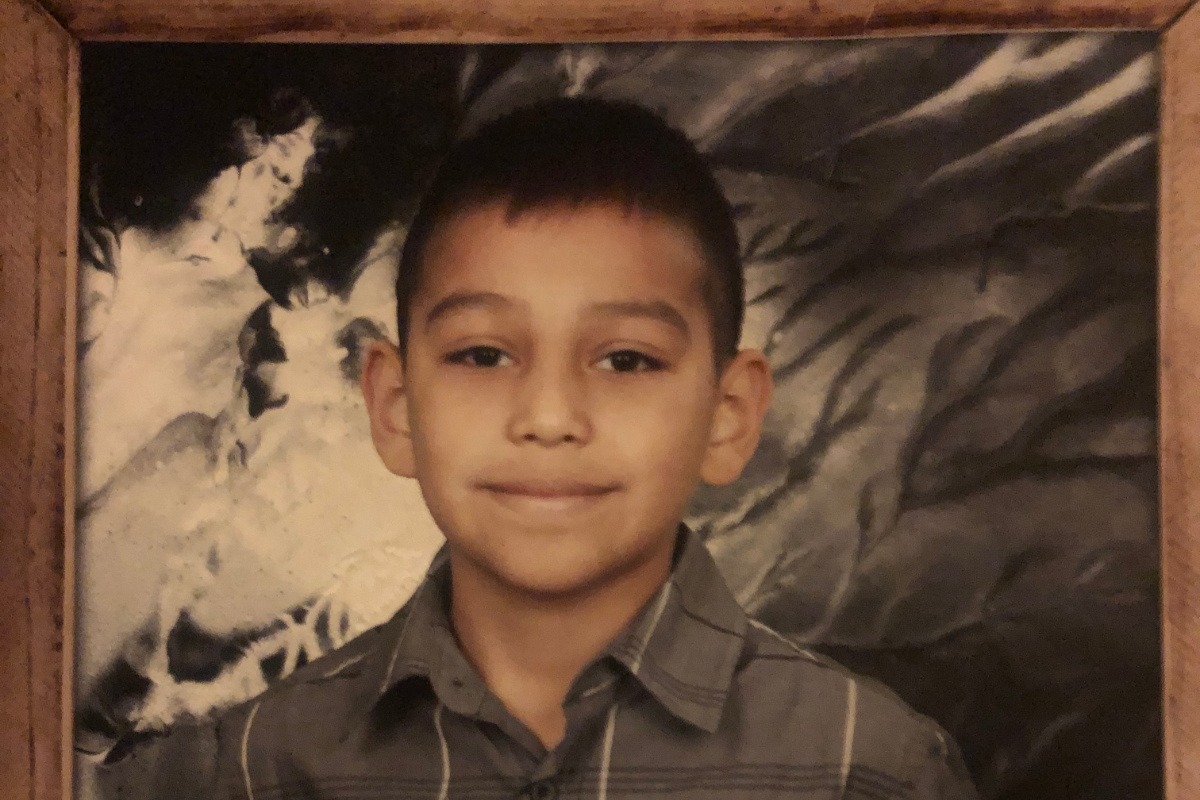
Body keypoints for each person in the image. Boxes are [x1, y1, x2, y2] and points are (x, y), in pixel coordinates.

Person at [211, 96, 980, 800]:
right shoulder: (251, 769)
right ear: (395, 406)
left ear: (728, 415)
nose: (549, 418)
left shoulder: (870, 770)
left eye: (626, 360)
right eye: (483, 354)